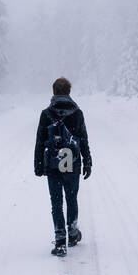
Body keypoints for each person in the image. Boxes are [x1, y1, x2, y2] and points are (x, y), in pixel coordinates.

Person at [33, 77, 92, 257]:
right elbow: (83, 139)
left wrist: (38, 164)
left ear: (54, 92)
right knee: (71, 199)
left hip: (53, 165)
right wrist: (87, 160)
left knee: (56, 203)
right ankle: (73, 233)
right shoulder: (77, 113)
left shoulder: (46, 114)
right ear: (68, 91)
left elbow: (40, 141)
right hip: (72, 165)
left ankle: (60, 242)